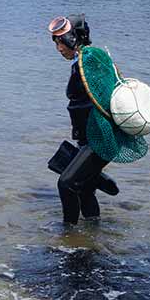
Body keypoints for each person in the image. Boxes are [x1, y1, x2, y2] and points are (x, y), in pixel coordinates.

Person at [47, 14, 118, 226]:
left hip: (99, 138)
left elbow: (110, 94)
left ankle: (68, 236)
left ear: (72, 39)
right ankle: (92, 233)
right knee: (85, 189)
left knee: (66, 184)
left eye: (60, 43)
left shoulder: (89, 63)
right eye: (56, 43)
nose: (58, 49)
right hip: (88, 138)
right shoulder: (82, 63)